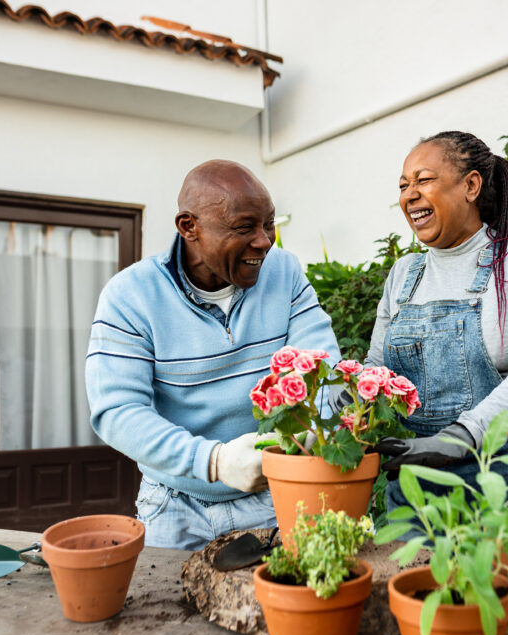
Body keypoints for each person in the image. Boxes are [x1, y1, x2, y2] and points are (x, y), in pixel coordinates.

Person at [85, 160, 340, 551]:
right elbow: (117, 411)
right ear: (189, 227)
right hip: (174, 505)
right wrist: (214, 461)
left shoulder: (284, 273)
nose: (264, 241)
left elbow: (324, 372)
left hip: (274, 495)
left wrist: (306, 438)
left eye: (269, 223)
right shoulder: (131, 296)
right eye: (244, 227)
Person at [367, 131, 508, 508]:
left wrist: (462, 435)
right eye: (402, 185)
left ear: (471, 185)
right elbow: (376, 371)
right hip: (417, 481)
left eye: (423, 180)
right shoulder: (403, 273)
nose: (409, 195)